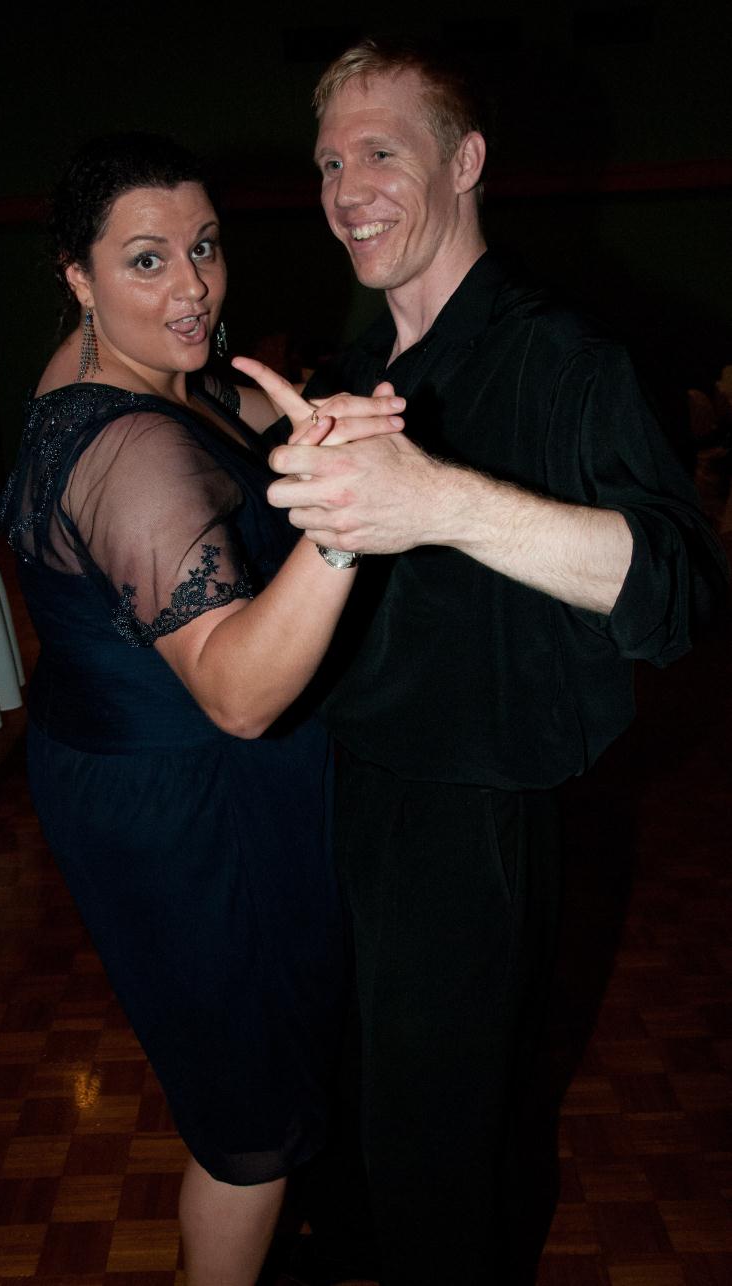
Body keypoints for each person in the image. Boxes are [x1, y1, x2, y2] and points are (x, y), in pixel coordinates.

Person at [247, 35, 729, 1286]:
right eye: (327, 163)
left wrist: (442, 503)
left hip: (477, 819)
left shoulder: (566, 359)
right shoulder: (359, 371)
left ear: (463, 162)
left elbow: (676, 593)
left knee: (446, 1153)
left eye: (378, 153)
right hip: (353, 787)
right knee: (360, 1113)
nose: (345, 188)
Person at [0, 131, 406, 1286]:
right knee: (247, 1122)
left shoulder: (131, 375)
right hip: (195, 801)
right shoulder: (129, 450)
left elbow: (225, 434)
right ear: (77, 276)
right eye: (146, 259)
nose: (191, 287)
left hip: (132, 772)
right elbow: (236, 692)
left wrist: (315, 430)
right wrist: (342, 516)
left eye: (204, 248)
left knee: (246, 1063)